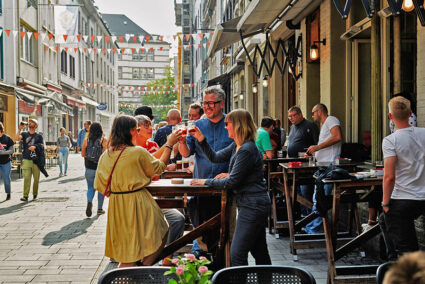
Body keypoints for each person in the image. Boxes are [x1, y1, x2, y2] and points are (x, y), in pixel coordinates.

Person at [94, 115, 181, 267]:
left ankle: (136, 272)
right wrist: (169, 145)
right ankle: (142, 269)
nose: (138, 132)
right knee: (162, 231)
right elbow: (159, 168)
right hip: (138, 201)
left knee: (128, 252)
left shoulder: (105, 156)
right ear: (129, 131)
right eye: (137, 129)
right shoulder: (137, 152)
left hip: (117, 204)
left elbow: (100, 185)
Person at [191, 109, 272, 266]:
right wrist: (201, 140)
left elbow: (232, 182)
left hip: (253, 205)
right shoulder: (238, 146)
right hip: (254, 203)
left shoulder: (246, 149)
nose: (225, 127)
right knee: (260, 252)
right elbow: (215, 157)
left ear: (238, 125)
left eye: (227, 124)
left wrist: (205, 181)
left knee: (237, 255)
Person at [179, 85, 234, 257]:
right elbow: (187, 153)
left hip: (224, 188)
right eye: (205, 103)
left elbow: (237, 152)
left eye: (212, 103)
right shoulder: (198, 125)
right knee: (201, 228)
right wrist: (181, 141)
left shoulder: (231, 124)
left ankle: (220, 264)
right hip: (200, 186)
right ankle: (205, 261)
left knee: (223, 232)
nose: (208, 107)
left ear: (222, 104)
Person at [134, 115, 185, 265]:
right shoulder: (132, 149)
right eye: (146, 126)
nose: (151, 128)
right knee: (175, 218)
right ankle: (146, 262)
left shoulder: (152, 146)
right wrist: (169, 144)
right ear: (136, 130)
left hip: (152, 197)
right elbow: (153, 167)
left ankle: (167, 257)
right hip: (137, 200)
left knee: (179, 215)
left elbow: (156, 172)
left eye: (150, 125)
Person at [379, 96, 425, 259]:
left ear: (390, 117)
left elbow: (389, 176)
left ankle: (396, 267)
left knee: (405, 251)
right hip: (422, 197)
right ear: (410, 113)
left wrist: (385, 203)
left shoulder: (390, 140)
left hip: (403, 199)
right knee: (384, 220)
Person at [304, 104, 342, 234]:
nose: (312, 115)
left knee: (320, 199)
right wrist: (313, 152)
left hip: (329, 167)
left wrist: (317, 147)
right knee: (318, 198)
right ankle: (312, 228)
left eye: (313, 113)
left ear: (319, 112)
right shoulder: (325, 124)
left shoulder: (331, 119)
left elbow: (337, 137)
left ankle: (314, 230)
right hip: (323, 166)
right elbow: (327, 147)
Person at [287, 106, 320, 217]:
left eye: (293, 115)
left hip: (306, 167)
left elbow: (317, 144)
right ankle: (303, 219)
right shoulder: (292, 127)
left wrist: (311, 156)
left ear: (300, 114)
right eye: (289, 116)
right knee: (298, 194)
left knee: (306, 192)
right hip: (293, 165)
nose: (291, 118)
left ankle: (309, 220)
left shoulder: (310, 126)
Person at [81, 122, 108, 217]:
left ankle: (89, 201)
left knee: (90, 188)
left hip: (89, 168)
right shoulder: (104, 140)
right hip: (100, 169)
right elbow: (105, 156)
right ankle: (100, 209)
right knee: (101, 189)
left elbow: (83, 154)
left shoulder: (86, 140)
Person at [15, 119, 45, 202]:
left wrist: (35, 146)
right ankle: (25, 196)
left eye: (32, 122)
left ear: (36, 126)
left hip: (36, 160)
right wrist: (19, 128)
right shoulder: (24, 134)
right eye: (30, 122)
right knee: (27, 178)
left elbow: (42, 146)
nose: (30, 123)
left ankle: (35, 195)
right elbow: (17, 139)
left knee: (36, 179)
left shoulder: (39, 136)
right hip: (26, 159)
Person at [0, 122, 15, 201]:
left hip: (6, 162)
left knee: (6, 179)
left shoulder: (7, 138)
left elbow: (12, 150)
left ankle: (8, 193)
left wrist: (3, 152)